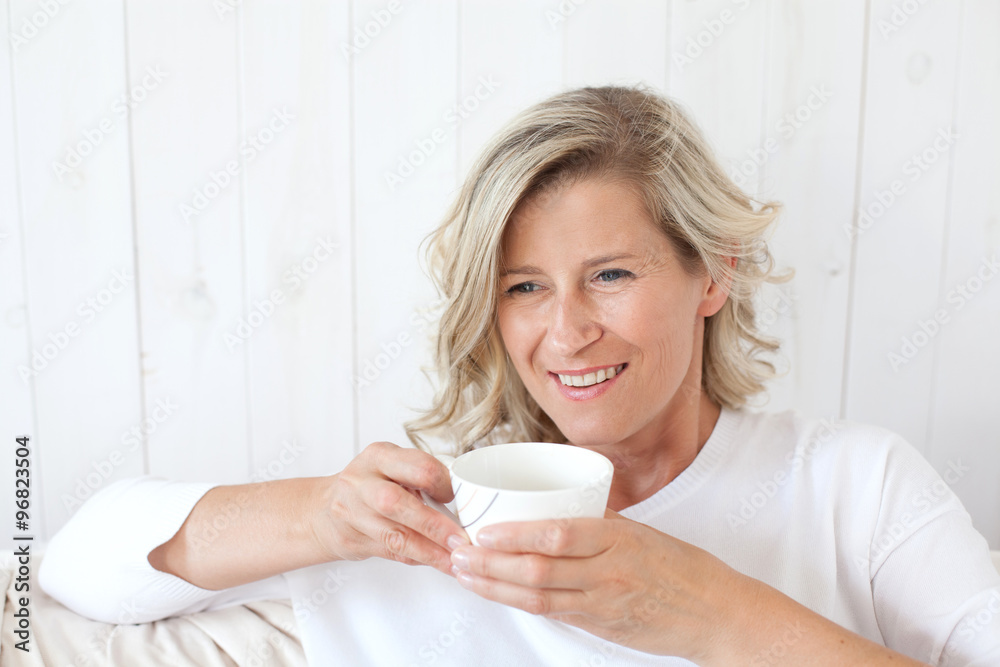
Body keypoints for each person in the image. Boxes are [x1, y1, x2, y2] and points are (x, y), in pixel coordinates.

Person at [41, 85, 1000, 666]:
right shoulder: (446, 521)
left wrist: (707, 610)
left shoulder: (854, 488)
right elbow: (70, 574)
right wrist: (318, 514)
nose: (566, 332)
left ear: (713, 274)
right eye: (524, 287)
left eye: (612, 275)